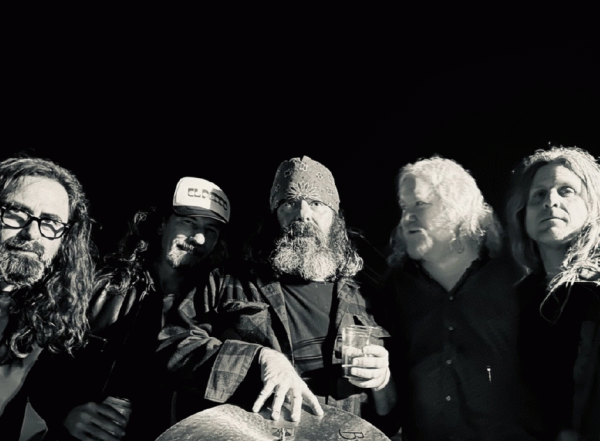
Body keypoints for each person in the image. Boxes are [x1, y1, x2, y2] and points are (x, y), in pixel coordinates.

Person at [158, 156, 396, 433]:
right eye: (290, 203)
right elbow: (172, 345)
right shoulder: (226, 283)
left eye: (316, 203)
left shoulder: (367, 300)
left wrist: (383, 381)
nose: (303, 214)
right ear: (274, 217)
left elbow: (390, 415)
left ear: (335, 219)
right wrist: (258, 358)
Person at [26, 176, 230, 441]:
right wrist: (66, 411)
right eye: (189, 222)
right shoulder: (100, 287)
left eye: (211, 230)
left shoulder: (217, 306)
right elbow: (42, 371)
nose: (200, 239)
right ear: (162, 224)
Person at [383, 155, 532, 440]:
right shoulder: (397, 286)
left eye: (420, 204)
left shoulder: (514, 275)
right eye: (404, 207)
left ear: (457, 206)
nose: (406, 218)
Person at [506, 146, 600, 441]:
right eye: (538, 195)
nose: (550, 201)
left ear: (593, 205)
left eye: (566, 191)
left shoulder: (597, 290)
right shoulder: (515, 301)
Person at [0, 156, 94, 440]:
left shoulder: (45, 316)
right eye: (16, 213)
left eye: (50, 222)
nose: (31, 233)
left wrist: (65, 413)